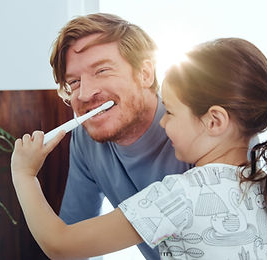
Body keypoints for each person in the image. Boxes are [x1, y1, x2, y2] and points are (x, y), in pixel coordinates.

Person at [11, 37, 267, 259]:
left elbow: (60, 244)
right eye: (74, 81)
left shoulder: (177, 195)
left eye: (170, 112)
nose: (163, 124)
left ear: (215, 121)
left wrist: (24, 175)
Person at [49, 13, 190, 259]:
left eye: (102, 70)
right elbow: (75, 242)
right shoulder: (85, 139)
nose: (84, 94)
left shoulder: (199, 126)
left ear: (145, 73)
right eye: (74, 82)